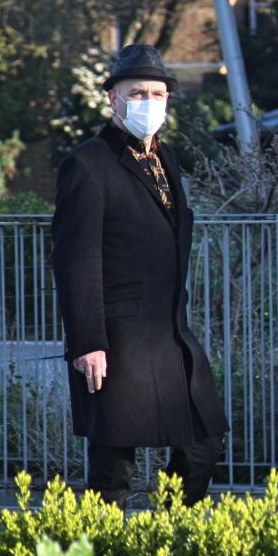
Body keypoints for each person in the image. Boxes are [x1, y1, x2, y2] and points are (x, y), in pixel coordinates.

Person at [51, 44, 228, 508]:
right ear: (112, 98)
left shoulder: (166, 159)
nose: (147, 102)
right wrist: (88, 341)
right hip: (115, 337)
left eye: (156, 93)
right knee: (114, 467)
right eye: (136, 93)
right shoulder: (88, 164)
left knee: (203, 444)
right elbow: (76, 258)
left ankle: (163, 540)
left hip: (169, 331)